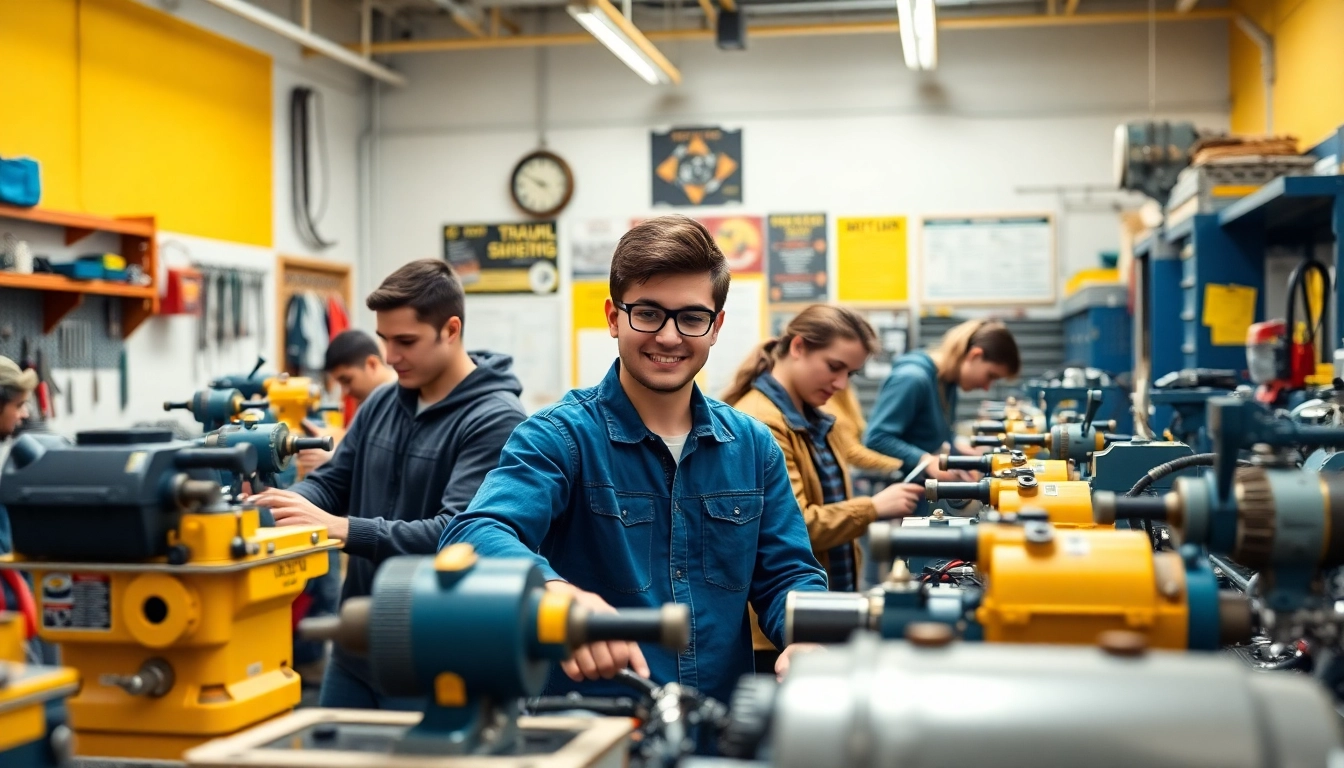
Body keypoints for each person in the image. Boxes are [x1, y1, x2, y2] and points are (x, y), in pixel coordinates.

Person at [440, 215, 828, 706]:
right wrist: (555, 593)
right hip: (596, 729)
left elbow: (788, 573)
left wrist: (809, 631)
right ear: (612, 317)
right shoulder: (559, 436)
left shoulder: (753, 447)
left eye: (691, 318)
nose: (669, 337)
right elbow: (474, 533)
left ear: (716, 327)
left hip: (718, 728)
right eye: (647, 313)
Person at [247, 259, 528, 709]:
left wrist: (343, 529)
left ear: (451, 330)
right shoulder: (381, 402)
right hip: (357, 648)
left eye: (406, 341)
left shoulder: (496, 420)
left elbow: (455, 534)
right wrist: (280, 505)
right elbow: (331, 482)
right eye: (385, 340)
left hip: (438, 656)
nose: (391, 356)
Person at [722, 305, 924, 672]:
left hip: (821, 615)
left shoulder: (814, 418)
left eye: (850, 372)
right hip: (780, 637)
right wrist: (873, 509)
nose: (842, 384)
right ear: (798, 347)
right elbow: (795, 528)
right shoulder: (763, 423)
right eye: (835, 367)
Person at [865, 319, 1021, 482]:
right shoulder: (912, 378)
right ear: (975, 355)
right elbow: (876, 438)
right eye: (991, 376)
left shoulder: (947, 382)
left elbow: (931, 438)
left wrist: (962, 450)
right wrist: (925, 460)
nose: (987, 387)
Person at [296, 330, 399, 475]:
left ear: (372, 364)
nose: (345, 390)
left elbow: (390, 463)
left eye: (347, 380)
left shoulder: (398, 403)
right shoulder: (368, 403)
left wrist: (334, 458)